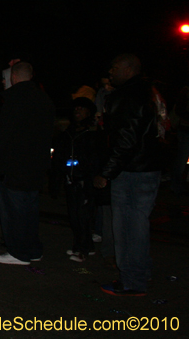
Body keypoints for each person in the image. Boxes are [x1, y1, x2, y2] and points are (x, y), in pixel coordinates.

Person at [94, 54, 164, 296]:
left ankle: (132, 281)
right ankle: (140, 273)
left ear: (128, 69)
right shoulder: (148, 91)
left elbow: (126, 138)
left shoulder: (129, 95)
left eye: (115, 67)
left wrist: (107, 171)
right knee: (138, 224)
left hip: (132, 170)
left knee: (127, 226)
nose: (111, 72)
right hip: (147, 167)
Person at [0, 62, 55, 265]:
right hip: (36, 164)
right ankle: (32, 249)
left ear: (13, 77)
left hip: (14, 165)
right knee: (30, 210)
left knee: (13, 211)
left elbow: (4, 132)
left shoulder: (11, 98)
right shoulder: (44, 98)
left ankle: (18, 252)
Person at [51, 97, 100, 263]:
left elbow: (96, 160)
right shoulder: (68, 133)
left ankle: (83, 249)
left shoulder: (93, 134)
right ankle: (82, 245)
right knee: (74, 215)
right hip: (70, 180)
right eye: (76, 108)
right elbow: (58, 157)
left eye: (82, 109)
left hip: (85, 182)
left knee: (83, 216)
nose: (78, 111)